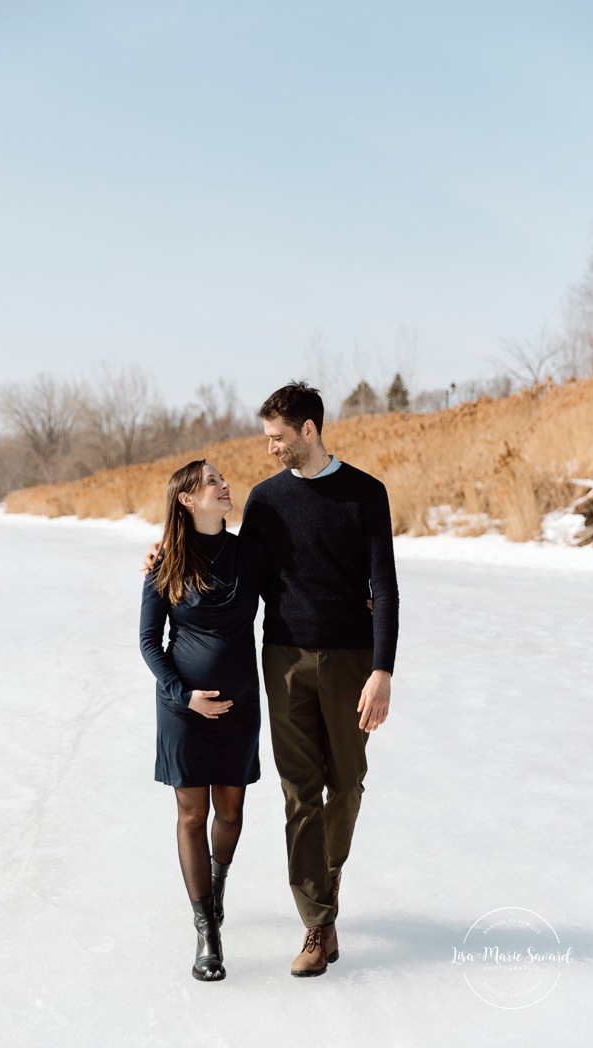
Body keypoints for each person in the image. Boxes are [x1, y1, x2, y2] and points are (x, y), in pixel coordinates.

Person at [238, 381, 399, 977]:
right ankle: (316, 922)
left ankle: (324, 882)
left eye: (278, 437)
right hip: (283, 659)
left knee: (348, 783)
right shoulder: (264, 501)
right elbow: (239, 581)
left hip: (352, 660)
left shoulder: (366, 494)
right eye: (267, 438)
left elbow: (385, 587)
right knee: (299, 792)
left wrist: (382, 668)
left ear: (309, 429)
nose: (271, 448)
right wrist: (172, 557)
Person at [139, 459, 263, 982]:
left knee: (229, 813)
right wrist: (184, 696)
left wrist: (360, 601)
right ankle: (206, 927)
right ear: (188, 499)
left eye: (221, 478)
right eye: (212, 481)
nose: (224, 484)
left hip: (239, 705)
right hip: (182, 710)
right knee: (192, 816)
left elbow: (298, 585)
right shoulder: (165, 561)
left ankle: (216, 885)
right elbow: (149, 642)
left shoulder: (247, 552)